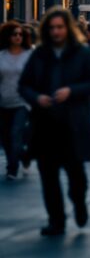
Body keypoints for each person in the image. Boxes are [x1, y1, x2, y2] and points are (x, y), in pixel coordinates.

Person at [18, 7, 90, 236]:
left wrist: (72, 91)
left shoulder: (81, 53)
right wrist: (37, 97)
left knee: (76, 174)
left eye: (60, 27)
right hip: (45, 124)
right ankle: (56, 220)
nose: (56, 32)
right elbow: (24, 85)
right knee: (48, 176)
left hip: (72, 123)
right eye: (52, 28)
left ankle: (79, 202)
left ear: (68, 29)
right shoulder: (39, 54)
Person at [0, 22, 33, 179]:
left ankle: (12, 168)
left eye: (20, 34)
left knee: (15, 133)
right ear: (8, 36)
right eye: (14, 34)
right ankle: (23, 155)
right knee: (5, 137)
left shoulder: (28, 55)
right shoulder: (1, 55)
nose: (18, 37)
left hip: (22, 102)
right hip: (3, 101)